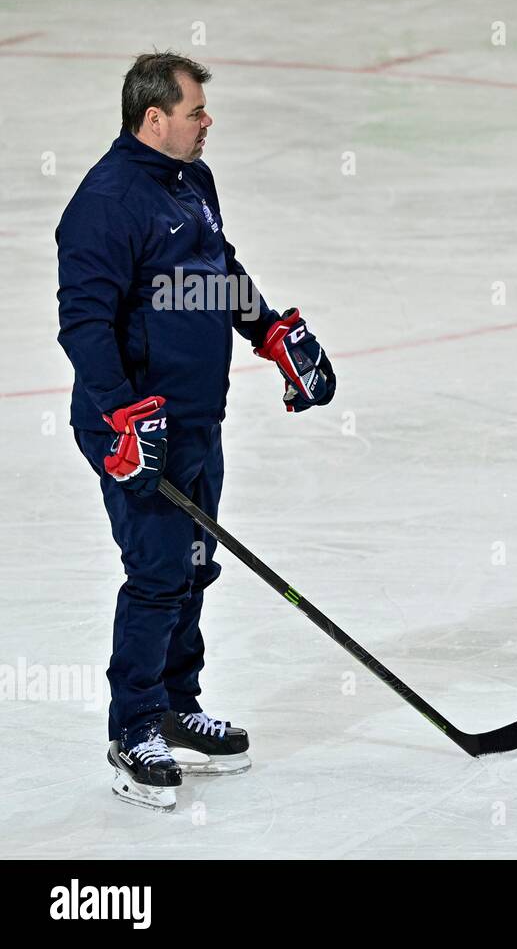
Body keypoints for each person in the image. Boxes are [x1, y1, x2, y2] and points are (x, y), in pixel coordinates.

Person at [56, 51, 337, 811]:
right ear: (154, 119)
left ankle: (177, 704)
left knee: (192, 564)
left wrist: (270, 331)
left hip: (196, 418)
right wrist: (120, 416)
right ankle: (134, 725)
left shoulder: (192, 183)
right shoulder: (105, 202)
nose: (206, 121)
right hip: (135, 430)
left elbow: (219, 267)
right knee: (155, 574)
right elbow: (82, 324)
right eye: (194, 112)